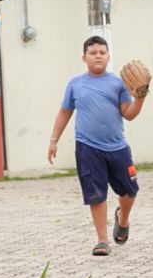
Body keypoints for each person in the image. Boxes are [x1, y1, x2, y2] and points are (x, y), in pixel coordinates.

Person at [48, 36, 146, 256]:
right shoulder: (75, 84)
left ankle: (123, 218)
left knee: (130, 191)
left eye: (102, 52)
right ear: (84, 58)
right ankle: (102, 240)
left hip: (117, 147)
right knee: (96, 194)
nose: (98, 56)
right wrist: (53, 140)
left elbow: (128, 114)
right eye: (93, 53)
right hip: (87, 147)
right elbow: (64, 112)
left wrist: (140, 98)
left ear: (108, 56)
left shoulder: (118, 83)